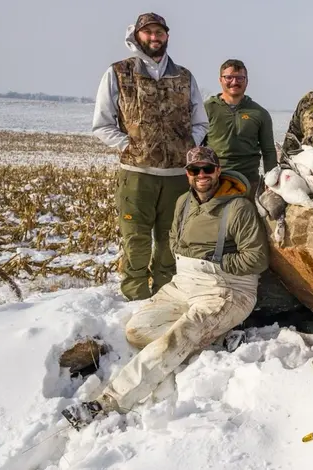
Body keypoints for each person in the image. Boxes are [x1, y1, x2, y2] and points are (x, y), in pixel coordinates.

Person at [61, 146, 269, 430]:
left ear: (218, 171)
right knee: (136, 331)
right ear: (187, 174)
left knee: (173, 339)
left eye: (208, 169)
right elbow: (174, 239)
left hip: (226, 288)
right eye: (195, 170)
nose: (202, 175)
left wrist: (216, 260)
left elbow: (257, 259)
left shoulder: (238, 208)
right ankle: (220, 340)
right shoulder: (184, 201)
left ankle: (106, 402)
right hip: (184, 282)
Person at [92, 12, 209, 301]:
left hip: (176, 178)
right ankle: (135, 296)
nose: (154, 38)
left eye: (159, 33)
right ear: (137, 36)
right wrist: (129, 147)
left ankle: (164, 297)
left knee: (171, 242)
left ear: (167, 36)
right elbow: (102, 124)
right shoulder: (119, 72)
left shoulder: (184, 76)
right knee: (136, 240)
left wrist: (186, 147)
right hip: (137, 176)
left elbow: (201, 122)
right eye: (148, 33)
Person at [204, 59, 277, 201]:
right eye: (229, 77)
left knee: (250, 221)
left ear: (246, 81)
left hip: (249, 182)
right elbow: (195, 147)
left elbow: (268, 151)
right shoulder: (207, 109)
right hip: (215, 181)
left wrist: (271, 182)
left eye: (239, 78)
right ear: (220, 80)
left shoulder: (259, 113)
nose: (234, 82)